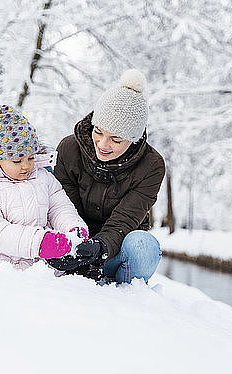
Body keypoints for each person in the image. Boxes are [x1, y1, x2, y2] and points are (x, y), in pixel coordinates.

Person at [53, 69, 166, 284]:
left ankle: (123, 290)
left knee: (144, 247)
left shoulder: (152, 166)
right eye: (98, 131)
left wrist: (100, 248)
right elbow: (63, 208)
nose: (103, 145)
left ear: (132, 139)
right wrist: (77, 244)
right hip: (74, 243)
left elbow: (126, 219)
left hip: (118, 245)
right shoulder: (69, 149)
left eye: (115, 139)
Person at [0, 104, 89, 275]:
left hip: (40, 268)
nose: (26, 166)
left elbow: (59, 208)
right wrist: (40, 243)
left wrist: (73, 228)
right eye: (17, 161)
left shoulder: (43, 177)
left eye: (31, 157)